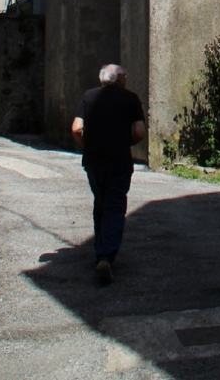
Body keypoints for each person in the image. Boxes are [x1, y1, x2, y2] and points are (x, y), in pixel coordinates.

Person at [71, 63, 146, 285]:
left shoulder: (88, 96)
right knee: (114, 205)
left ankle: (100, 251)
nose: (127, 77)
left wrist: (87, 146)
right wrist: (126, 143)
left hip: (94, 160)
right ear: (118, 79)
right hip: (119, 160)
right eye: (125, 74)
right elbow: (140, 132)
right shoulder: (130, 98)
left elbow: (76, 128)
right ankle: (106, 256)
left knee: (101, 201)